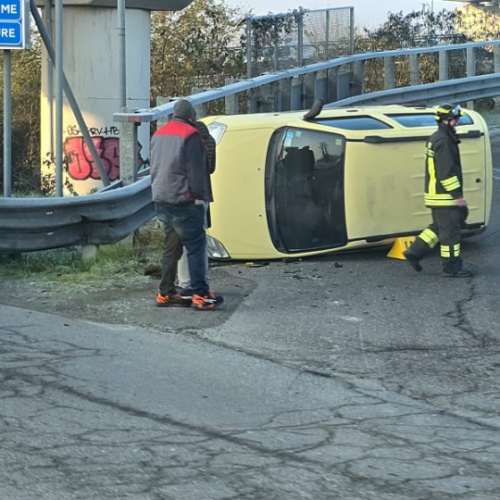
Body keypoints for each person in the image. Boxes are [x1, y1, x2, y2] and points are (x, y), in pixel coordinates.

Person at [150, 99, 223, 309]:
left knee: (170, 248)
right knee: (196, 247)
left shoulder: (159, 134)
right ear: (192, 116)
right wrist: (200, 197)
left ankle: (165, 293)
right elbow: (196, 170)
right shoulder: (190, 135)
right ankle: (201, 295)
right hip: (185, 201)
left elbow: (154, 167)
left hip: (162, 199)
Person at [403, 103, 473, 278]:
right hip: (445, 196)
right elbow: (446, 172)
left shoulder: (439, 137)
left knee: (437, 228)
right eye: (456, 119)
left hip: (437, 195)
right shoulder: (444, 141)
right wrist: (457, 195)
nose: (458, 122)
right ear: (448, 120)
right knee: (450, 234)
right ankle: (451, 268)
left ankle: (415, 252)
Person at [176, 120, 216, 299]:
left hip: (184, 196)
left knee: (184, 243)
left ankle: (185, 283)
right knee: (200, 243)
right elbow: (211, 168)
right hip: (203, 195)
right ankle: (202, 283)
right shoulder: (208, 139)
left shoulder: (183, 139)